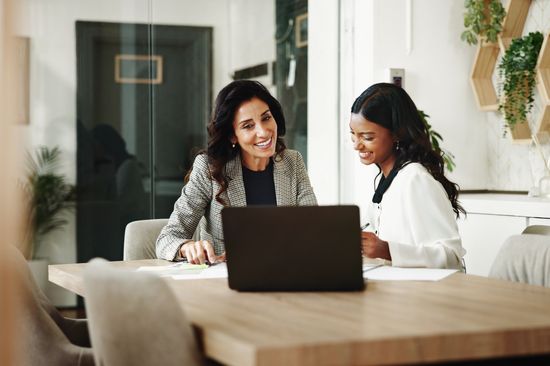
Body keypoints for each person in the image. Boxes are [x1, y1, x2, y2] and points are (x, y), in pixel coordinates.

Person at [156, 80, 317, 263]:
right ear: (232, 135)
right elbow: (167, 239)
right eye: (248, 126)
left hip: (284, 276)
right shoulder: (209, 169)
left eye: (266, 118)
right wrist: (187, 247)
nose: (263, 132)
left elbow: (313, 229)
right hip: (225, 284)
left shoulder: (292, 162)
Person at [349, 83, 465, 269]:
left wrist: (386, 250)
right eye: (353, 135)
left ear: (396, 134)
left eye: (368, 137)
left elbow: (451, 257)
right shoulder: (385, 180)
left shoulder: (415, 179)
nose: (356, 145)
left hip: (422, 294)